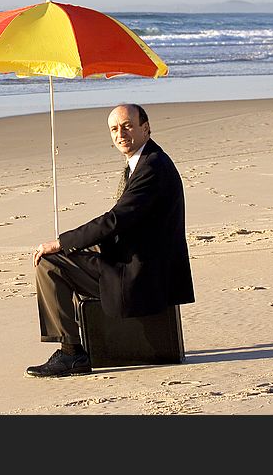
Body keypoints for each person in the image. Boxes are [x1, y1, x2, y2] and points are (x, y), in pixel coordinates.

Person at [27, 103, 195, 377]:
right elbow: (125, 225)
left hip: (140, 274)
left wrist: (62, 242)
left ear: (146, 127)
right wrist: (79, 244)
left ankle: (71, 353)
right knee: (71, 252)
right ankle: (74, 345)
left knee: (49, 262)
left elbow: (115, 219)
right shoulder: (146, 161)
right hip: (139, 257)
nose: (121, 134)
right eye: (114, 129)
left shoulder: (152, 167)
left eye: (128, 126)